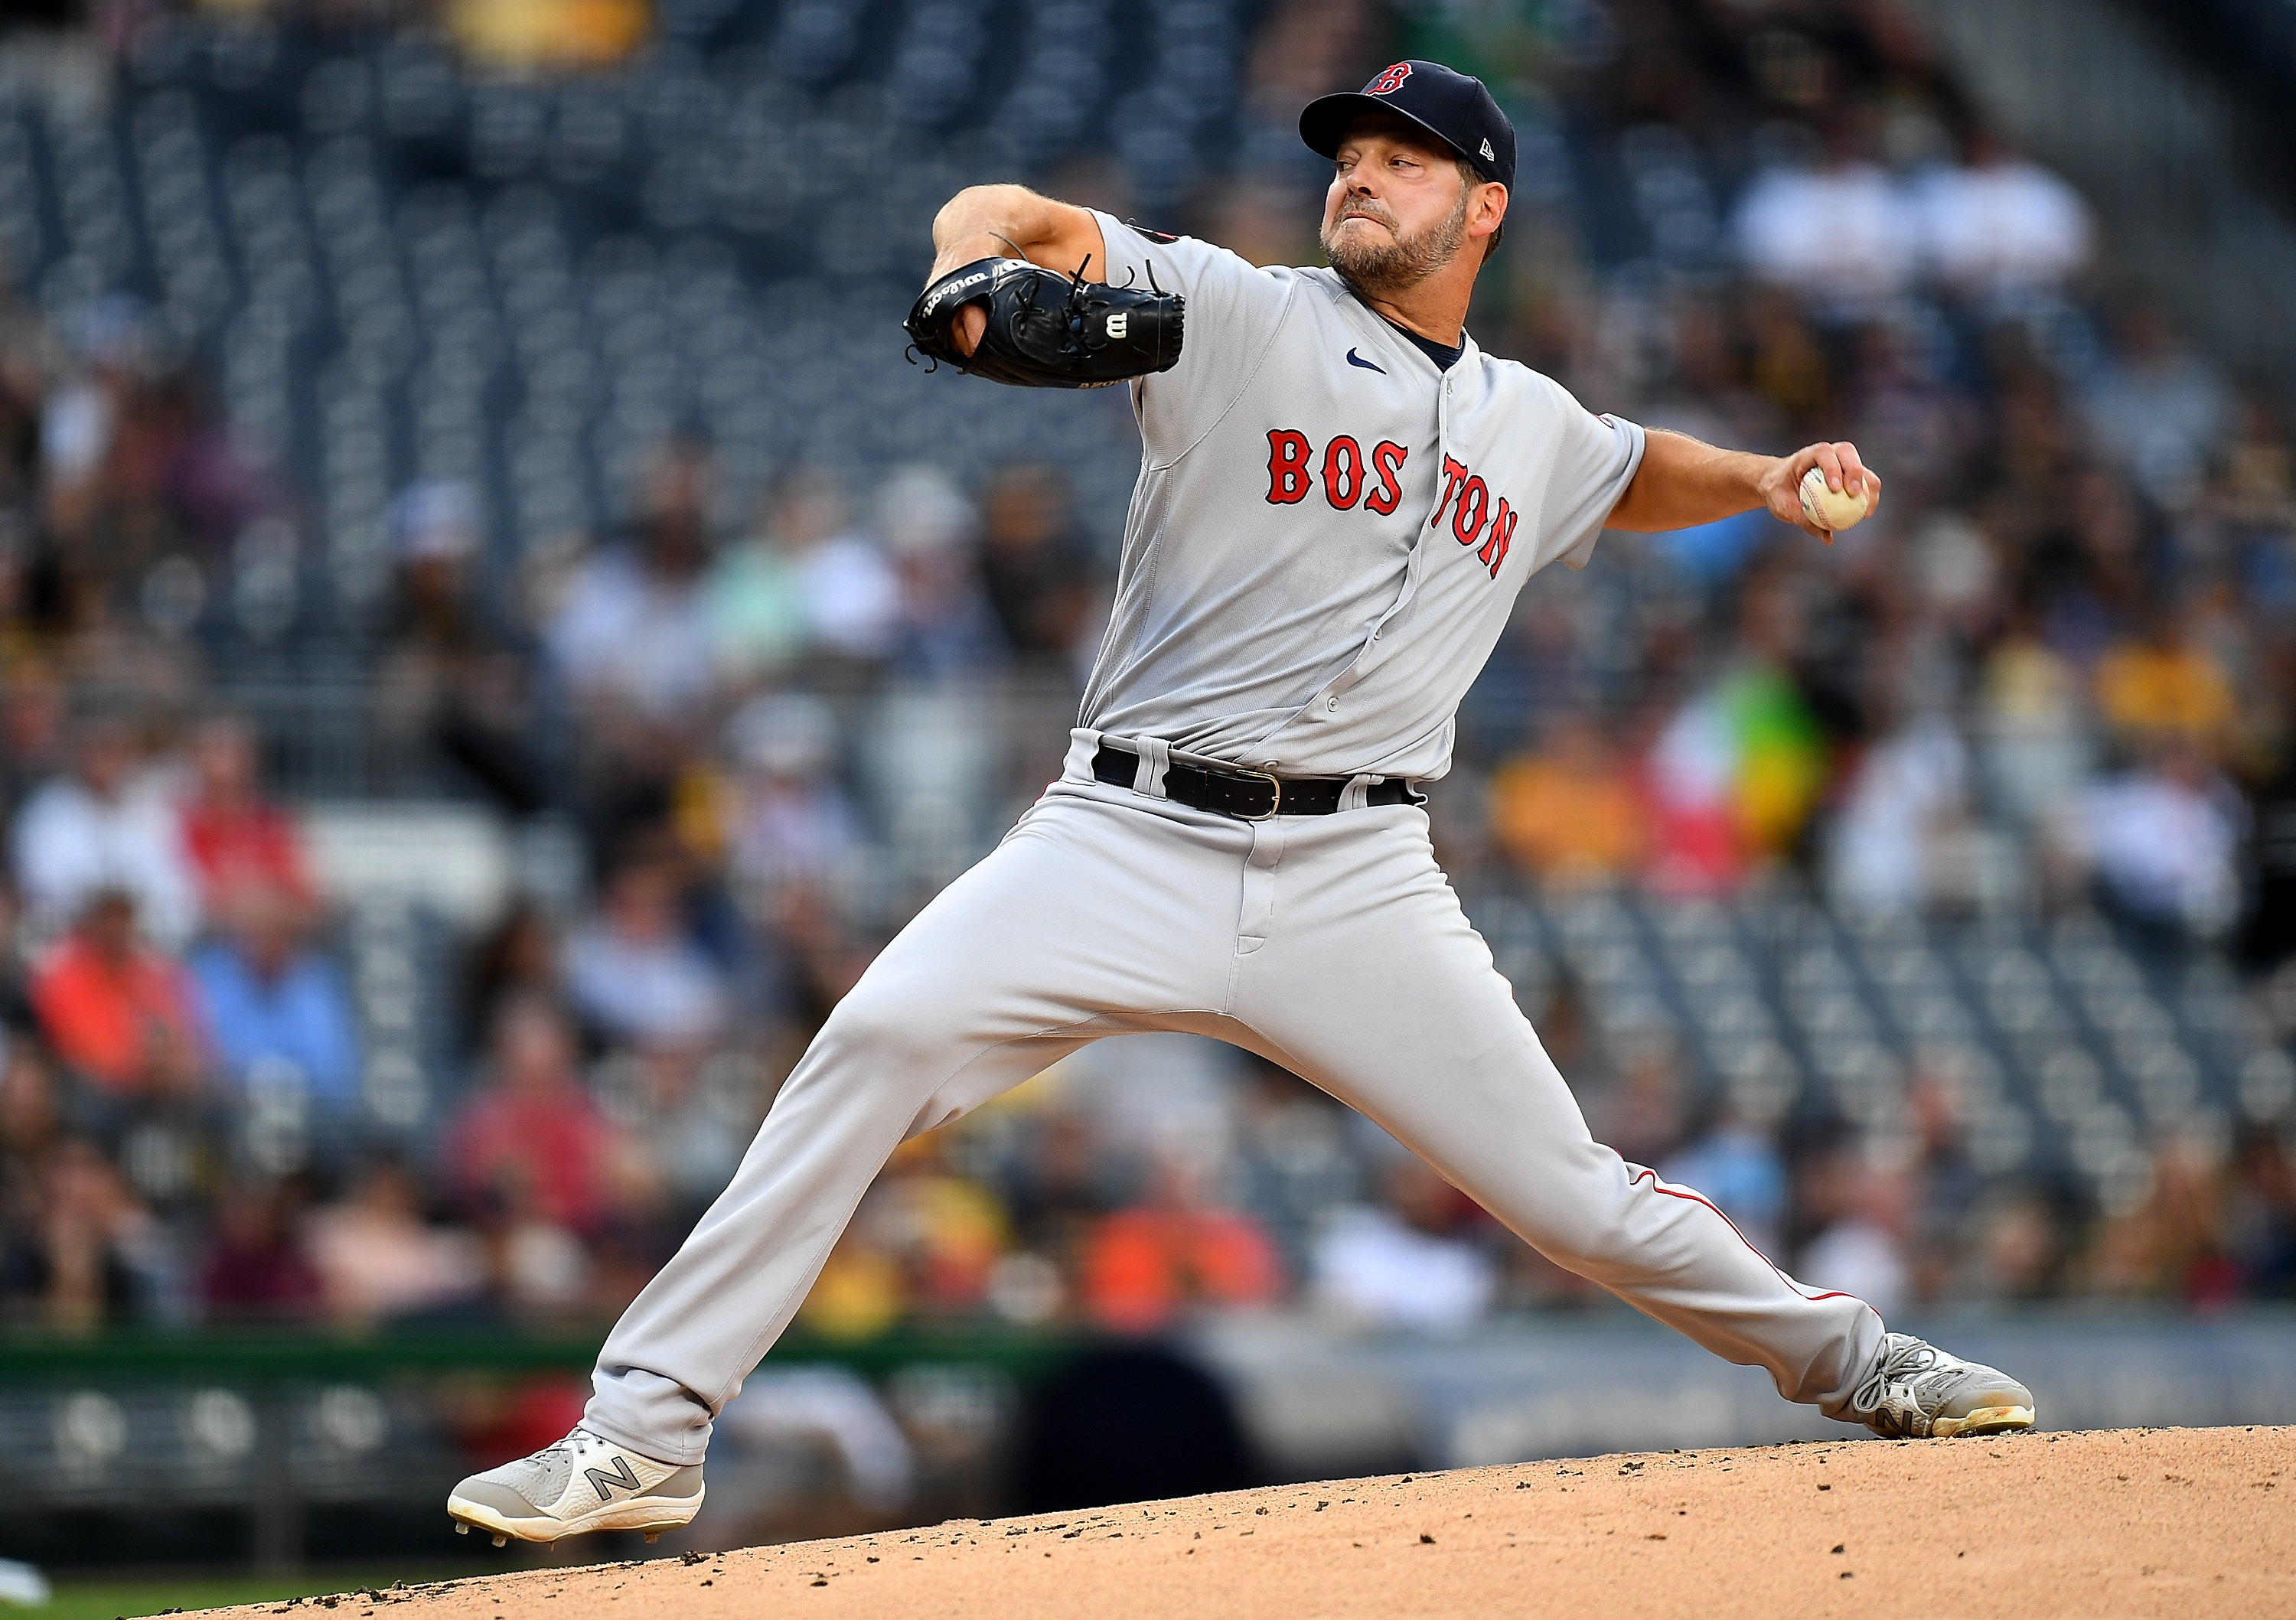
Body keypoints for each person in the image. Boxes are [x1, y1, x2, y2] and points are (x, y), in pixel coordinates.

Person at [449, 59, 2032, 1547]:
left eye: (1400, 162)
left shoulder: (1528, 421)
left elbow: (1626, 468)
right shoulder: (1236, 310)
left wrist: (1758, 478)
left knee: (1573, 1199)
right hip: (1125, 834)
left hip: (1360, 874)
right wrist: (958, 267)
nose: (1359, 181)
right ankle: (644, 1436)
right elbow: (1020, 217)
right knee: (871, 1047)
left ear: (1484, 204)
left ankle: (1863, 1365)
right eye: (1348, 159)